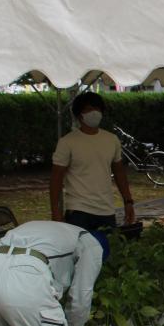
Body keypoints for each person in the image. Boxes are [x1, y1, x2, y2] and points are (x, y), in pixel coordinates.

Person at [50, 92, 135, 232]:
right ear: (79, 115)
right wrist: (56, 212)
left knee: (107, 251)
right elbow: (56, 178)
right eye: (88, 109)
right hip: (78, 211)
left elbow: (119, 172)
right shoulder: (67, 142)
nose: (94, 113)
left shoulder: (111, 140)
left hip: (107, 210)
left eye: (97, 109)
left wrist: (128, 201)